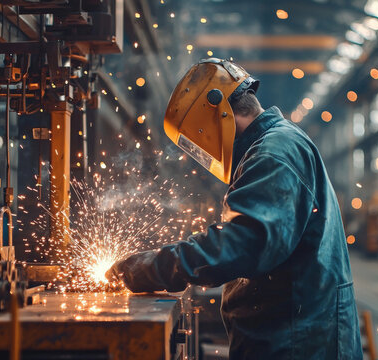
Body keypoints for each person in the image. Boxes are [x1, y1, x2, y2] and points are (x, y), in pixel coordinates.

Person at [106, 58, 363, 359]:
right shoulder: (274, 145)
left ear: (218, 115)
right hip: (290, 336)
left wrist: (150, 268)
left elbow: (242, 245)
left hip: (296, 345)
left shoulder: (274, 154)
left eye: (198, 142)